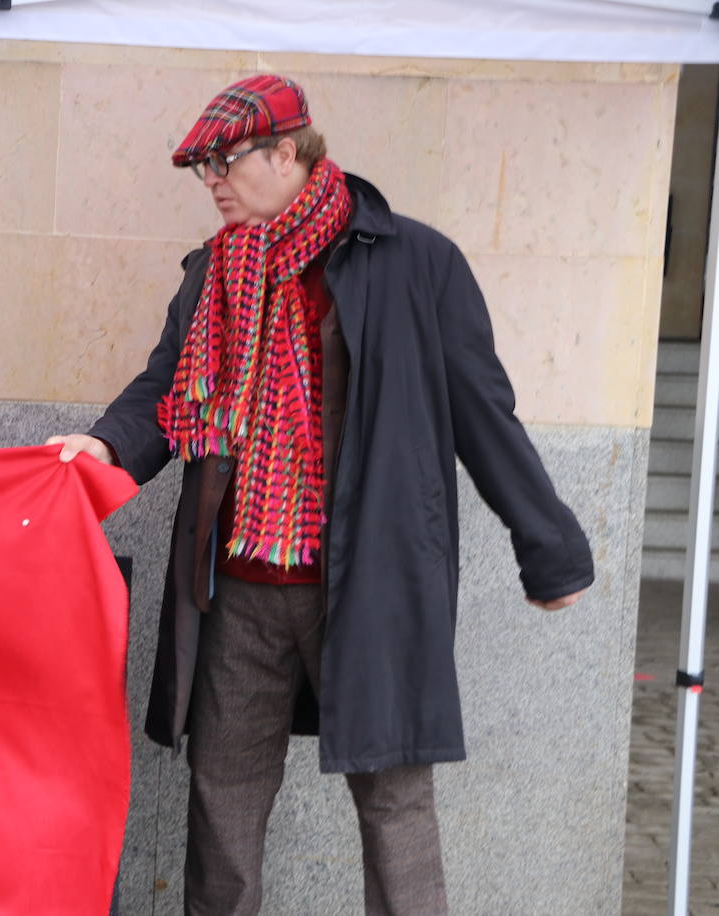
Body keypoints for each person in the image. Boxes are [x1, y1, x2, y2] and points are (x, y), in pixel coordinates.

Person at [48, 74, 594, 914]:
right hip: (235, 586)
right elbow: (165, 390)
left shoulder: (414, 261)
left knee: (395, 808)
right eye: (201, 170)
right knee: (222, 806)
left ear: (289, 152)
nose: (213, 183)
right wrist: (105, 444)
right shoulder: (212, 274)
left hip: (369, 584)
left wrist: (549, 549)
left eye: (224, 163)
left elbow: (483, 411)